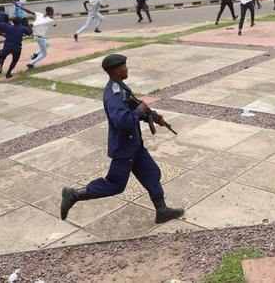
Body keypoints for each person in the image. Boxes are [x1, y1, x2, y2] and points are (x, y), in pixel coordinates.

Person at [60, 54, 184, 224]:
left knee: (152, 173)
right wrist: (139, 111)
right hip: (125, 148)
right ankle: (74, 194)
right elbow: (122, 121)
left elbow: (133, 108)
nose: (127, 68)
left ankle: (162, 210)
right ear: (117, 70)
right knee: (115, 184)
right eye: (125, 66)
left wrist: (152, 117)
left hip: (134, 146)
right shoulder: (114, 94)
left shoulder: (121, 87)